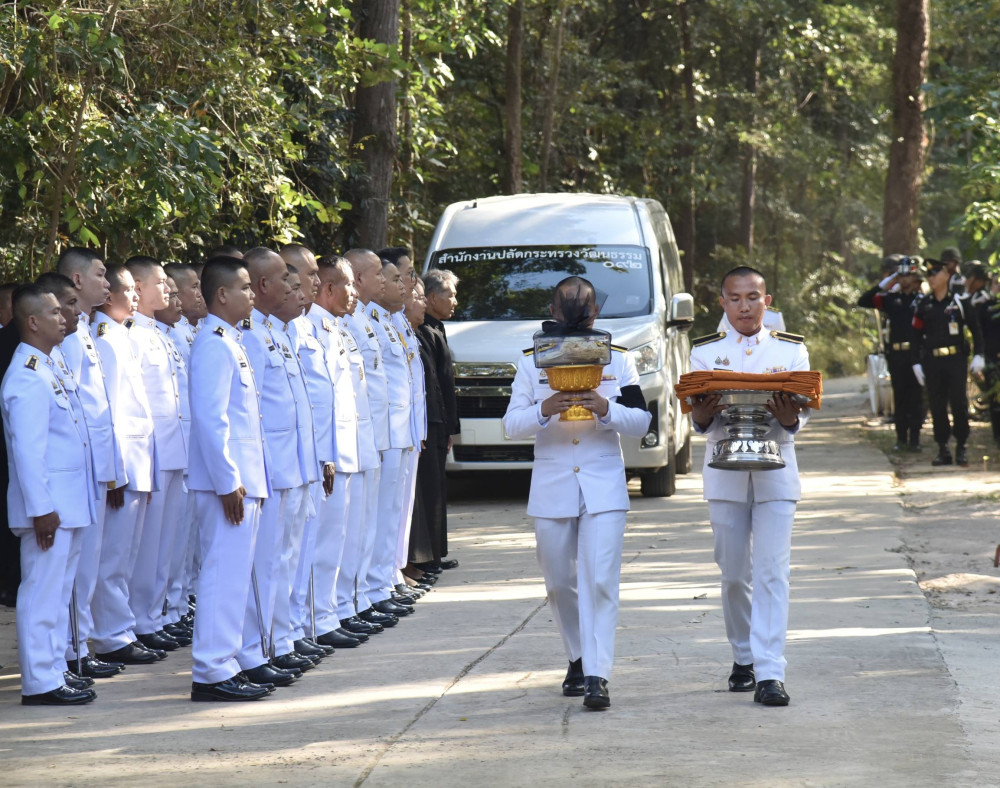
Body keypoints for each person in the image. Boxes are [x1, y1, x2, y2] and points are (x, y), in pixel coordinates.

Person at [502, 276, 651, 710]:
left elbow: (642, 422)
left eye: (582, 307)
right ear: (552, 311)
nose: (575, 314)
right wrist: (543, 409)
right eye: (567, 307)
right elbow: (510, 425)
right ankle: (578, 655)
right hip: (552, 485)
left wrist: (606, 408)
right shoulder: (532, 360)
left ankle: (597, 675)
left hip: (602, 485)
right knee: (558, 582)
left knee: (599, 580)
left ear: (595, 312)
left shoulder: (617, 358)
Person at [688, 265, 810, 708]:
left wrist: (789, 419)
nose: (744, 306)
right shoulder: (705, 352)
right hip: (725, 471)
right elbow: (698, 416)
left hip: (777, 470)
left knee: (774, 572)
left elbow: (802, 411)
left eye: (753, 297)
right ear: (723, 303)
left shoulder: (791, 350)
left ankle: (770, 671)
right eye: (735, 298)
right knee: (735, 573)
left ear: (767, 301)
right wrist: (702, 415)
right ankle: (744, 656)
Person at [2, 285, 99, 704]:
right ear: (32, 322)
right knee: (42, 592)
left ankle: (55, 669)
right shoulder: (27, 374)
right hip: (49, 508)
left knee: (58, 594)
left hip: (67, 504)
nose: (64, 319)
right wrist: (41, 509)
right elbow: (28, 452)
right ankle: (40, 681)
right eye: (55, 313)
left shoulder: (48, 365)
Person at [187, 256, 273, 702]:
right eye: (245, 287)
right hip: (228, 484)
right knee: (222, 575)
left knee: (235, 577)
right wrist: (227, 481)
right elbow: (210, 419)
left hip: (242, 479)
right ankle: (211, 670)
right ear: (222, 294)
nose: (252, 294)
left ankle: (228, 660)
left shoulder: (231, 340)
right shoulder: (214, 344)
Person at [54, 249, 127, 679]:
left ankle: (79, 645)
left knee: (90, 562)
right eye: (100, 275)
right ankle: (71, 649)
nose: (107, 283)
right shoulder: (66, 333)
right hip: (81, 464)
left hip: (97, 462)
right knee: (77, 567)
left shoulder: (83, 328)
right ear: (78, 281)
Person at [90, 266, 162, 665]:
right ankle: (110, 635)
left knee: (128, 555)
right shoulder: (104, 338)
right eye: (129, 290)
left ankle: (123, 628)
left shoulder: (122, 335)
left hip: (138, 459)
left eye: (137, 289)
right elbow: (112, 412)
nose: (135, 297)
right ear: (109, 297)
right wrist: (116, 472)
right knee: (113, 557)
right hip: (123, 463)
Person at [124, 256, 190, 653]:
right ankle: (140, 620)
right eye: (160, 282)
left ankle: (157, 615)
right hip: (152, 453)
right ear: (138, 287)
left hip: (174, 449)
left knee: (168, 544)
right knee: (147, 547)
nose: (167, 289)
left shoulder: (161, 334)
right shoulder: (130, 334)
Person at [912, 259, 984, 466]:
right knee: (937, 405)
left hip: (955, 360)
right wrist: (916, 363)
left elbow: (976, 330)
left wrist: (979, 355)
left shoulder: (959, 301)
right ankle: (942, 447)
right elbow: (915, 335)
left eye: (936, 273)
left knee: (959, 402)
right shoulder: (924, 304)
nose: (932, 278)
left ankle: (961, 445)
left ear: (946, 275)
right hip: (932, 361)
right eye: (929, 275)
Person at [857, 256, 925, 451]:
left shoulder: (921, 300)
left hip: (916, 355)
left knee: (916, 398)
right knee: (900, 397)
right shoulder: (891, 299)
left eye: (908, 276)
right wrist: (886, 282)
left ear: (915, 278)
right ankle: (901, 439)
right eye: (900, 276)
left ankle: (915, 441)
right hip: (896, 355)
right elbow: (864, 301)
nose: (904, 280)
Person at [418, 268, 461, 573]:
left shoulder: (437, 328)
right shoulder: (422, 330)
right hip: (430, 420)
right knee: (430, 488)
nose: (454, 301)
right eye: (450, 295)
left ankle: (437, 551)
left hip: (441, 420)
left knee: (438, 487)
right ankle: (429, 556)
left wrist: (451, 426)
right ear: (432, 298)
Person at [966, 265, 1000, 445]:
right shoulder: (984, 304)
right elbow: (976, 328)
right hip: (992, 358)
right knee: (995, 399)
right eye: (995, 283)